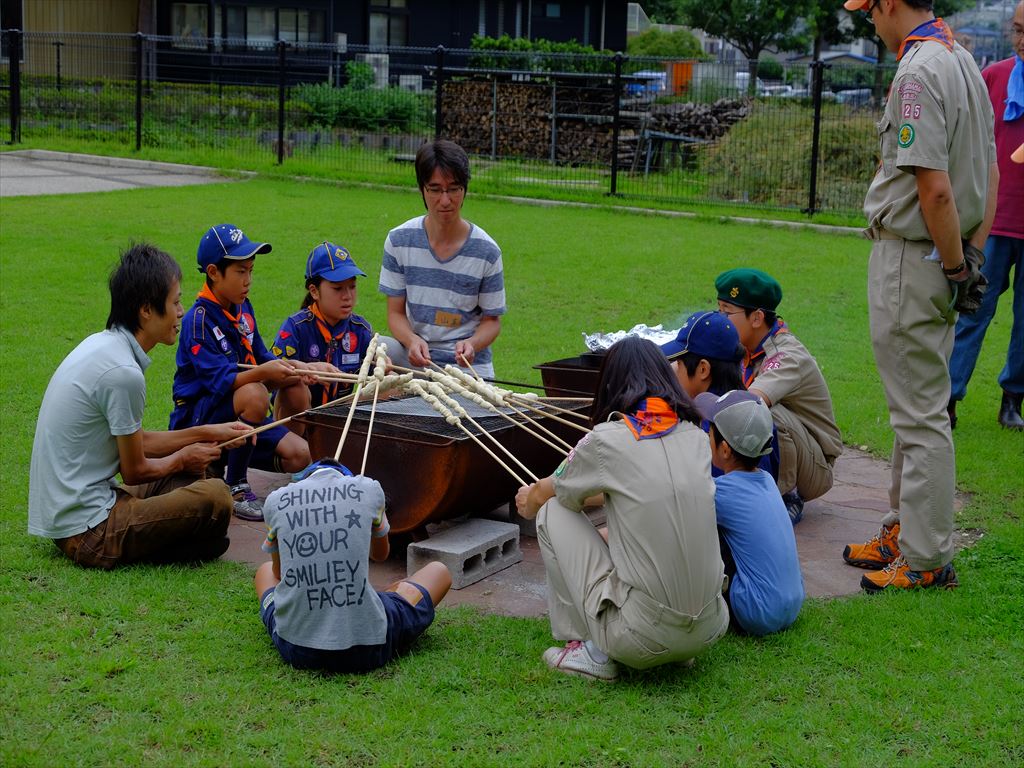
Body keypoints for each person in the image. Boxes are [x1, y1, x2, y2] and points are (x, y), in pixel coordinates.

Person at [842, 0, 997, 592]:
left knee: (920, 414)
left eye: (868, 10)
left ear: (888, 4)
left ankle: (927, 557)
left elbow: (933, 188)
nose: (868, 22)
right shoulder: (961, 59)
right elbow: (989, 173)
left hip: (915, 256)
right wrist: (968, 260)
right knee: (915, 406)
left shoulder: (917, 71)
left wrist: (958, 266)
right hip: (944, 255)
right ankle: (905, 531)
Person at [515, 336, 728, 682]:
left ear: (609, 383)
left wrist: (529, 501)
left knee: (552, 511)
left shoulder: (607, 439)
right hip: (709, 628)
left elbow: (552, 491)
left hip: (641, 638)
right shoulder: (694, 436)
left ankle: (591, 650)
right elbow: (637, 490)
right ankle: (677, 646)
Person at [27, 243, 250, 569]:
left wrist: (206, 432)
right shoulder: (123, 373)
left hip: (78, 510)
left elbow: (136, 440)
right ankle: (183, 544)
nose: (181, 312)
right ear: (146, 309)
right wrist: (183, 457)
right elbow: (134, 469)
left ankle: (188, 539)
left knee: (197, 477)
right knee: (216, 495)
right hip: (89, 531)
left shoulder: (104, 345)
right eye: (175, 302)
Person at [254, 458, 452, 673]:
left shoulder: (276, 501)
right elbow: (380, 555)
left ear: (305, 479)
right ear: (345, 477)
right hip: (369, 647)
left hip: (296, 648)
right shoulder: (369, 489)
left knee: (264, 571)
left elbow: (279, 573)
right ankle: (391, 597)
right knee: (438, 571)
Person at [170, 224, 312, 522]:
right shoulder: (198, 320)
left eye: (250, 270)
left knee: (300, 454)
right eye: (240, 272)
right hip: (199, 417)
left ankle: (224, 463)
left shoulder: (242, 306)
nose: (248, 280)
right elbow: (220, 381)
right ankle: (236, 484)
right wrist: (265, 372)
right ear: (213, 272)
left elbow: (262, 357)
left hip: (237, 418)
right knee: (254, 392)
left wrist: (307, 369)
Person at [947, 1, 1024, 431]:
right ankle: (949, 397)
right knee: (973, 310)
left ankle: (1013, 397)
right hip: (994, 220)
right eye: (1017, 31)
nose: (1021, 41)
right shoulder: (992, 79)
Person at [714, 268, 843, 524]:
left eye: (727, 312)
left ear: (757, 317)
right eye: (718, 310)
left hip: (815, 468)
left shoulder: (788, 355)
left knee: (759, 411)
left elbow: (749, 403)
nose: (720, 319)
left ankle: (786, 494)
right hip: (797, 450)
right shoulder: (745, 347)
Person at [378, 139, 506, 379]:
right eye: (435, 189)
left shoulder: (487, 251)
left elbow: (492, 321)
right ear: (422, 189)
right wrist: (411, 339)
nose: (445, 200)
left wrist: (473, 344)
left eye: (453, 189)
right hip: (415, 359)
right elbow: (395, 313)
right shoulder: (398, 240)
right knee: (378, 348)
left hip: (467, 368)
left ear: (465, 189)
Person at [695, 390, 804, 636]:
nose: (705, 436)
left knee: (700, 526)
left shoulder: (720, 493)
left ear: (724, 449)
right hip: (793, 603)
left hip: (755, 614)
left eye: (708, 432)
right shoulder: (766, 480)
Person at [661, 310, 781, 484]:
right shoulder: (757, 413)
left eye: (679, 364)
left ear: (703, 369)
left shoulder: (708, 433)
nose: (674, 370)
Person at [271, 241, 374, 435]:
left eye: (352, 287)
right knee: (295, 389)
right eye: (338, 289)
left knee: (390, 386)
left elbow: (377, 379)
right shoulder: (296, 327)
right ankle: (297, 453)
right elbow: (270, 377)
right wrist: (303, 370)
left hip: (340, 416)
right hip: (297, 421)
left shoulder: (361, 330)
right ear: (314, 291)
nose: (348, 296)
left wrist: (387, 374)